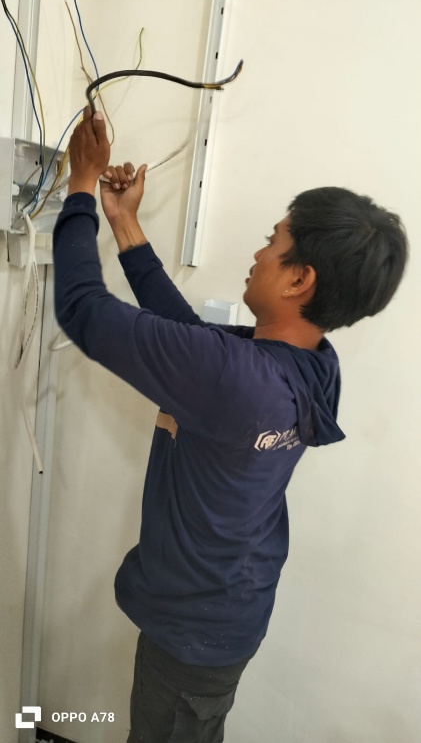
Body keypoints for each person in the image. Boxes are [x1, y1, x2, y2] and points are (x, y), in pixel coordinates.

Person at [53, 107, 408, 743]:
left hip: (192, 633)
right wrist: (125, 221)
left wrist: (80, 185)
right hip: (230, 609)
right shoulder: (312, 366)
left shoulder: (238, 377)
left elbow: (82, 308)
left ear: (300, 278)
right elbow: (192, 341)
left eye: (273, 242)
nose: (258, 252)